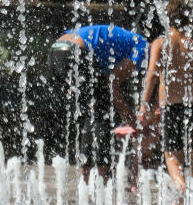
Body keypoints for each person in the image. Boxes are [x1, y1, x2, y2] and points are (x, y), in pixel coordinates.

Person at [138, 2, 193, 205]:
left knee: (171, 155)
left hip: (170, 105)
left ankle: (182, 187)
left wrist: (143, 104)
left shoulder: (160, 44)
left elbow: (152, 75)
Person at [48, 23, 150, 178]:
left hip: (56, 52)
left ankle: (86, 173)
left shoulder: (124, 42)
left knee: (92, 113)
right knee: (103, 112)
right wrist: (132, 122)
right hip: (74, 52)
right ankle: (103, 174)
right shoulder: (143, 48)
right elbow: (113, 84)